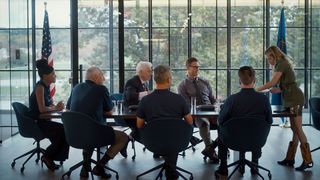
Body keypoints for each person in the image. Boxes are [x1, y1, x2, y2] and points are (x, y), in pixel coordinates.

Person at [256, 46, 313, 171]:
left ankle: (308, 160)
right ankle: (290, 158)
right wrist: (280, 89)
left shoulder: (281, 64)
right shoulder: (280, 64)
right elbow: (287, 83)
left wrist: (255, 89)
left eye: (268, 58)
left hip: (295, 99)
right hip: (290, 98)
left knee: (298, 128)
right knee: (294, 128)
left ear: (274, 55)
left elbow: (271, 83)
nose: (268, 61)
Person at [66, 67, 129, 178]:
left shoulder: (76, 87)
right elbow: (109, 111)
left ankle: (85, 167)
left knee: (88, 127)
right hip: (93, 133)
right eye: (101, 75)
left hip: (73, 134)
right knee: (123, 137)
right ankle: (100, 166)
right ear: (95, 77)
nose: (104, 78)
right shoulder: (101, 89)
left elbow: (68, 107)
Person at [136, 65, 193, 180]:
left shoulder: (145, 101)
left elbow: (139, 125)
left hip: (153, 142)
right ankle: (171, 171)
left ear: (154, 79)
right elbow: (190, 122)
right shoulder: (179, 99)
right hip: (177, 141)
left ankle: (170, 169)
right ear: (169, 79)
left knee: (166, 135)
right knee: (174, 134)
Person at [215, 66, 273, 177]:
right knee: (257, 129)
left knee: (220, 128)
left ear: (239, 81)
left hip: (233, 140)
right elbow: (269, 121)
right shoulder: (264, 99)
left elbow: (221, 120)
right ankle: (255, 164)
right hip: (256, 141)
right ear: (254, 81)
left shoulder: (232, 99)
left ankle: (223, 167)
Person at [29, 59, 69, 171]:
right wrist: (56, 108)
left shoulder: (45, 87)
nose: (55, 76)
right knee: (62, 131)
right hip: (36, 123)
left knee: (63, 130)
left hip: (43, 120)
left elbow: (48, 106)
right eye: (53, 74)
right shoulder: (40, 87)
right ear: (45, 76)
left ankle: (52, 157)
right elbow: (42, 109)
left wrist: (57, 107)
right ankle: (47, 156)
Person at [177, 57, 218, 162]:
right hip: (197, 114)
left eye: (198, 67)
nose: (197, 69)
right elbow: (186, 106)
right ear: (188, 68)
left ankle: (213, 147)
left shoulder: (205, 82)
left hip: (211, 111)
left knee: (225, 123)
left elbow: (213, 99)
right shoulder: (182, 86)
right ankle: (211, 149)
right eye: (195, 67)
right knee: (204, 123)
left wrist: (216, 106)